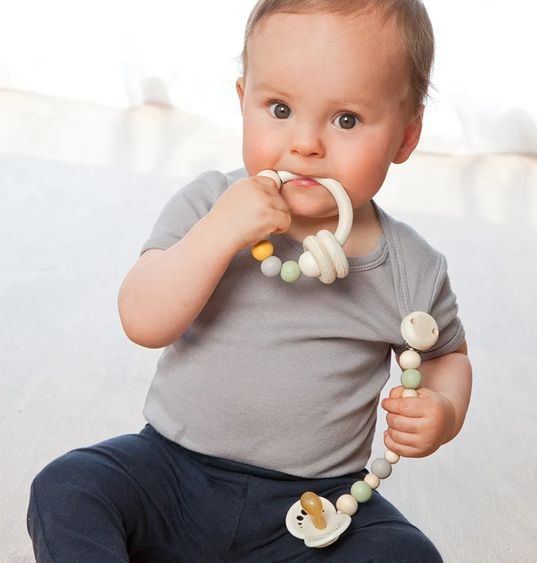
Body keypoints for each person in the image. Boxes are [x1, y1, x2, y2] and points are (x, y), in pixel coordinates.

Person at [27, 1, 472, 561]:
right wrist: (218, 235)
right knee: (68, 486)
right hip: (171, 474)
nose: (306, 143)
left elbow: (447, 356)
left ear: (405, 139)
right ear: (244, 103)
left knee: (407, 555)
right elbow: (142, 319)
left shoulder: (412, 267)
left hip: (319, 504)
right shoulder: (208, 205)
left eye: (347, 120)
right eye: (280, 108)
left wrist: (443, 411)